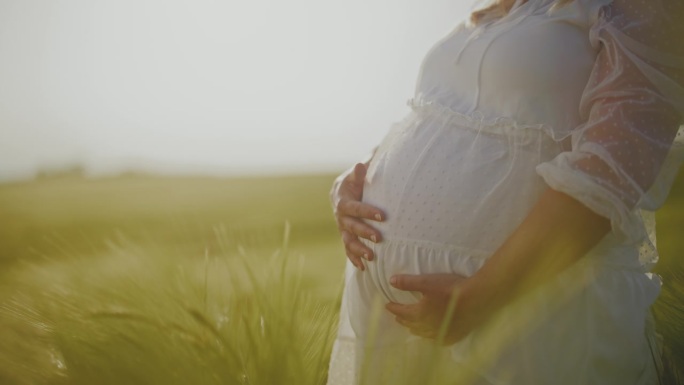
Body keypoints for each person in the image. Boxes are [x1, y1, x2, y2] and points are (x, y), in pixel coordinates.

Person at [326, 0, 684, 384]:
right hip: (391, 316)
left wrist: (482, 297)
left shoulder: (641, 7)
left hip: (528, 308)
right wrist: (356, 180)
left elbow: (617, 163)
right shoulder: (496, 9)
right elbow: (440, 114)